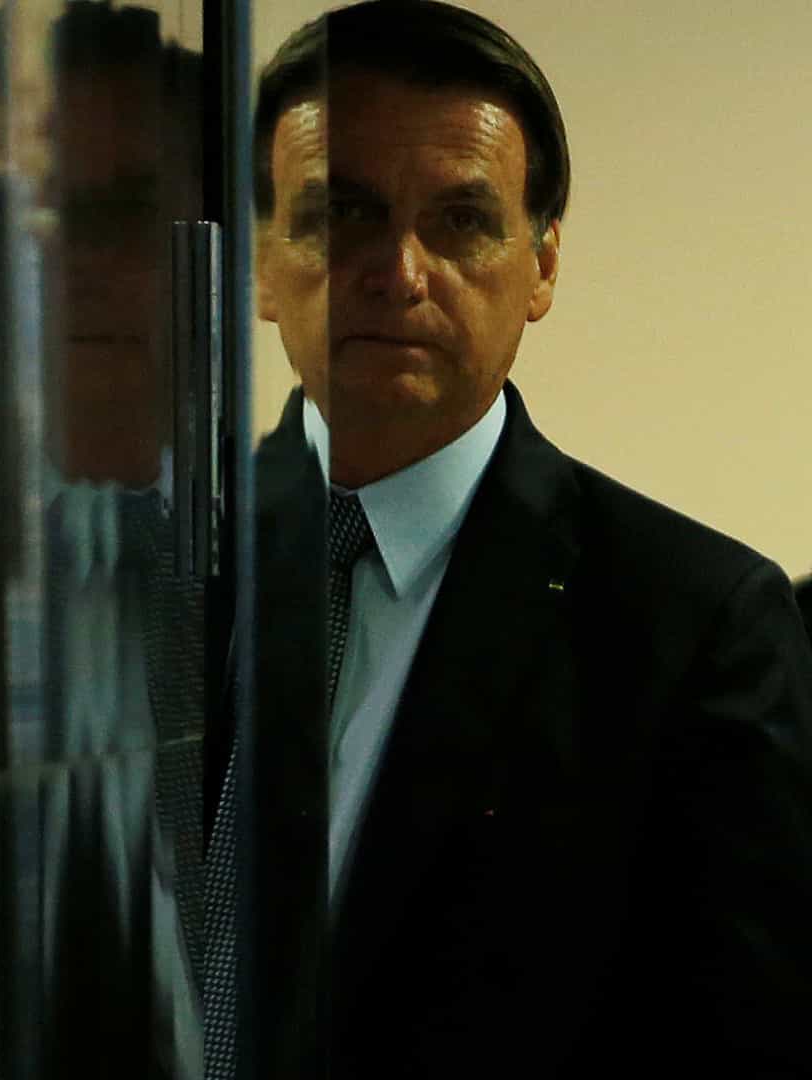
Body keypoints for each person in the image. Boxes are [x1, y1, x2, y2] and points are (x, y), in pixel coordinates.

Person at [214, 2, 812, 1077]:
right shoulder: (169, 564)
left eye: (460, 220)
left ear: (542, 268)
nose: (399, 270)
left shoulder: (692, 628)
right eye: (341, 212)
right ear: (261, 261)